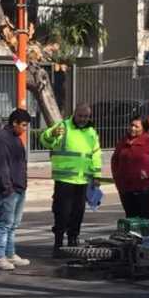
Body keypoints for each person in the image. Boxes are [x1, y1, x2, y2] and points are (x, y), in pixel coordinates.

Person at [39, 103, 102, 258]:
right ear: (74, 114)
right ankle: (58, 244)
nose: (83, 119)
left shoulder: (91, 132)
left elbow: (96, 154)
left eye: (86, 116)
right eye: (80, 116)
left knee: (78, 213)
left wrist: (96, 175)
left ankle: (73, 241)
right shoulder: (63, 126)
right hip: (64, 179)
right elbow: (45, 140)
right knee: (62, 213)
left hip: (82, 180)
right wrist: (52, 134)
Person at [0, 109, 31, 271]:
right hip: (6, 191)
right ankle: (0, 258)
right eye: (24, 125)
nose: (25, 129)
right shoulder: (1, 140)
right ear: (14, 123)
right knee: (3, 224)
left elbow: (20, 164)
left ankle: (10, 254)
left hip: (18, 188)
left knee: (13, 224)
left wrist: (23, 185)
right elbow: (1, 167)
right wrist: (7, 188)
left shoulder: (16, 139)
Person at [111, 115, 149, 221]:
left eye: (136, 126)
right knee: (130, 216)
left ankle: (144, 231)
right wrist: (117, 176)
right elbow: (115, 159)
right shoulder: (123, 141)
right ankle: (132, 232)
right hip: (125, 186)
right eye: (131, 125)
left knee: (143, 215)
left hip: (142, 186)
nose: (133, 128)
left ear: (143, 128)